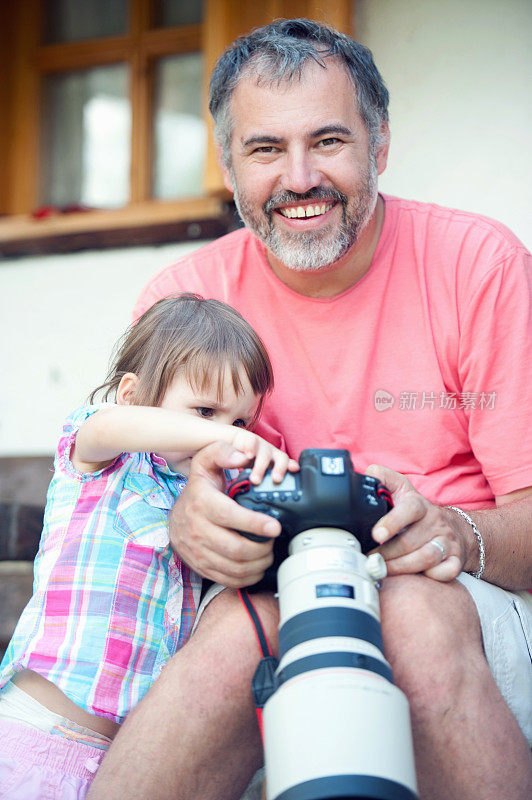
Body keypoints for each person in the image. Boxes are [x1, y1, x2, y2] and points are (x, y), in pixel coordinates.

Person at [87, 18, 532, 800]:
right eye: (264, 150)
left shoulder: (479, 265)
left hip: (462, 604)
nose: (299, 179)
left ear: (380, 146)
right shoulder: (185, 302)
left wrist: (454, 532)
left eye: (328, 141)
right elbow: (125, 503)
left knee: (415, 615)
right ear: (228, 166)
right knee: (238, 629)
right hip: (263, 600)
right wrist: (187, 523)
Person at [0, 293, 297, 799]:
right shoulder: (104, 458)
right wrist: (225, 439)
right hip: (37, 738)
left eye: (241, 422)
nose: (222, 435)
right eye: (205, 411)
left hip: (126, 762)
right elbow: (111, 427)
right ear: (133, 395)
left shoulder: (205, 499)